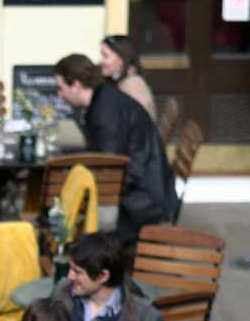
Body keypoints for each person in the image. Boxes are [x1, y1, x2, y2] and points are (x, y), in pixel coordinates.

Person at [54, 53, 178, 241]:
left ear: (77, 85)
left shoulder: (105, 113)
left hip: (143, 199)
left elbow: (108, 168)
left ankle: (67, 252)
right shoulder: (103, 96)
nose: (59, 95)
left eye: (61, 88)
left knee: (60, 200)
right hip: (149, 185)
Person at [98, 34, 158, 130]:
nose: (100, 61)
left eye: (105, 56)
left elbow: (138, 125)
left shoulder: (132, 85)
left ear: (121, 59)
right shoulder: (122, 80)